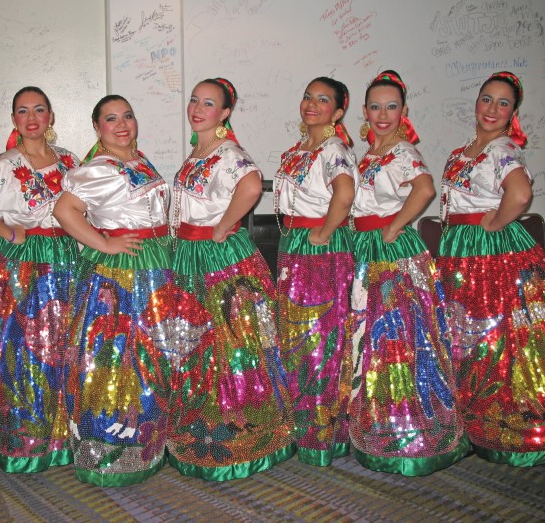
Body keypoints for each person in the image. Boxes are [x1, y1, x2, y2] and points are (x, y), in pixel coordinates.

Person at [169, 78, 294, 481]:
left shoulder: (227, 152)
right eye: (194, 100)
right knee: (202, 342)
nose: (198, 108)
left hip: (217, 256)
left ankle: (238, 431)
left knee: (229, 343)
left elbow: (252, 185)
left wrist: (223, 227)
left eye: (209, 103)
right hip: (192, 254)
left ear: (224, 113)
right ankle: (206, 422)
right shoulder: (199, 152)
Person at [349, 70, 467, 475]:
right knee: (375, 341)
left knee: (396, 340)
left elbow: (425, 189)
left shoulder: (402, 152)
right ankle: (382, 422)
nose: (383, 114)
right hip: (369, 248)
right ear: (365, 111)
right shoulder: (373, 152)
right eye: (376, 107)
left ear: (404, 112)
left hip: (392, 252)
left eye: (392, 107)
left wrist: (396, 226)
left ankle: (408, 432)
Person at [0, 86, 80, 472]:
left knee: (64, 342)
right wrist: (8, 233)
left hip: (65, 256)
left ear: (50, 117)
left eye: (39, 109)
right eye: (23, 111)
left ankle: (63, 433)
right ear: (14, 120)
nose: (31, 117)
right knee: (23, 346)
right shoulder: (5, 164)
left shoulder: (69, 161)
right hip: (25, 260)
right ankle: (24, 436)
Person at [54, 95, 174, 487]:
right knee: (121, 356)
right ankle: (113, 447)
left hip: (153, 264)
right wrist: (105, 243)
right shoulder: (98, 169)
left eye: (127, 116)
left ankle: (150, 439)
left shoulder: (137, 161)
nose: (121, 125)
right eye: (111, 119)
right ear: (97, 127)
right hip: (123, 271)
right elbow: (64, 211)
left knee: (151, 352)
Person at [436, 71, 545, 467]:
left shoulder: (502, 150)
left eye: (503, 103)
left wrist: (495, 224)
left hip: (488, 253)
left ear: (513, 112)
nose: (492, 109)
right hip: (461, 250)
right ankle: (477, 422)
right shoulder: (464, 151)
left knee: (494, 338)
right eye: (487, 99)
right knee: (468, 337)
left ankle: (505, 427)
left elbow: (520, 195)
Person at [273, 77, 356, 466]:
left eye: (323, 100)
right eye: (308, 96)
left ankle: (322, 437)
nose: (311, 104)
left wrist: (322, 232)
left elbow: (344, 193)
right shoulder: (302, 148)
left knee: (320, 340)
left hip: (318, 250)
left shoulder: (333, 147)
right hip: (295, 247)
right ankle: (303, 428)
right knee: (298, 338)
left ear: (338, 112)